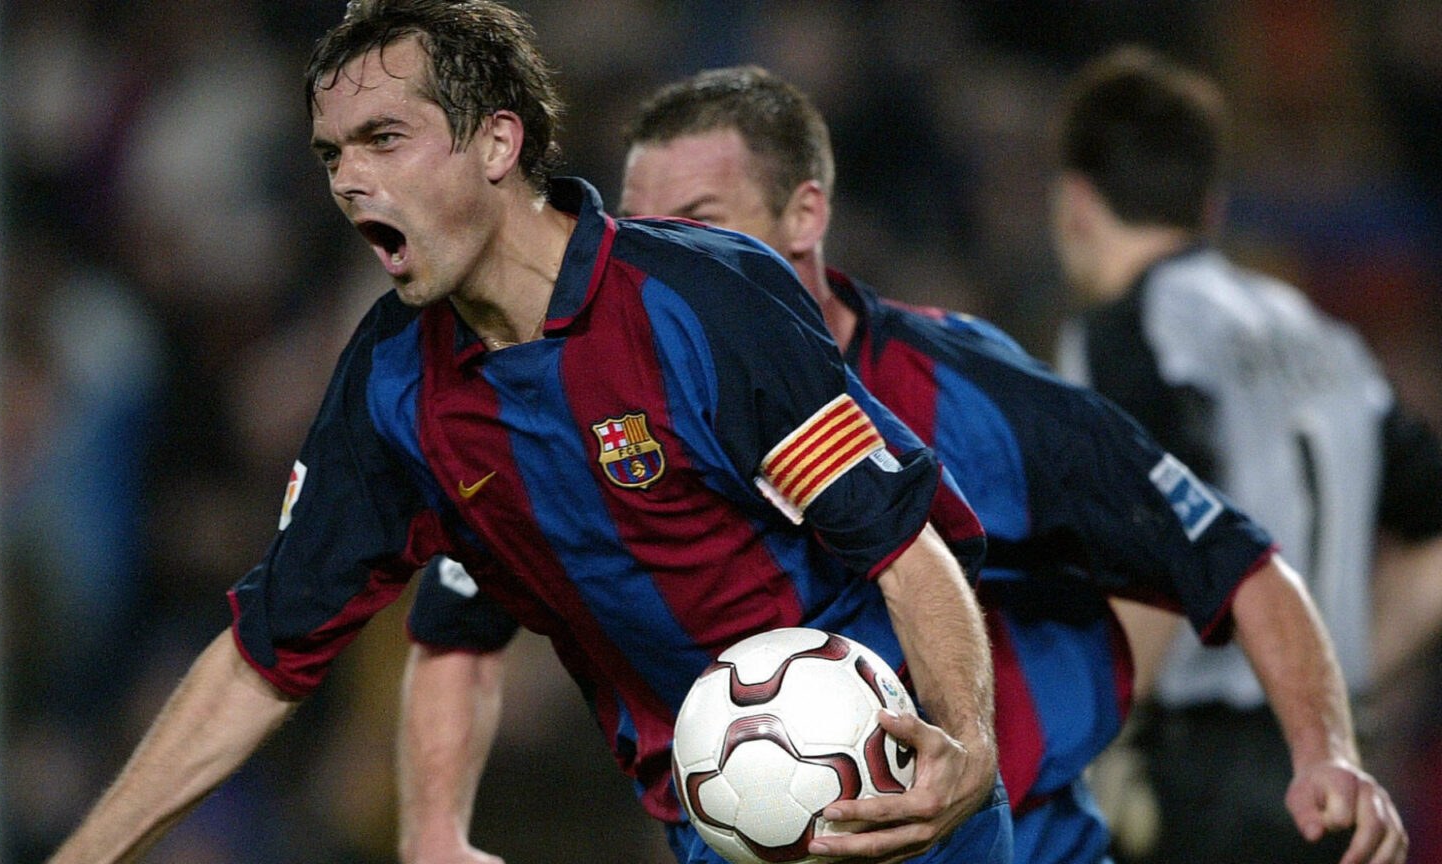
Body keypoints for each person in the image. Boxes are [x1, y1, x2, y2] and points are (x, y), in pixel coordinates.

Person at [47, 3, 1015, 863]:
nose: (349, 181)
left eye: (384, 138)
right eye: (332, 154)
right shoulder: (392, 387)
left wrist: (966, 743)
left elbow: (900, 543)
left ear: (497, 142)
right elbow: (264, 657)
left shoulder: (694, 300)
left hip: (897, 785)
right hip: (719, 825)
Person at [398, 65, 1408, 864]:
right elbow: (456, 627)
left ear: (805, 216)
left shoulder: (972, 397)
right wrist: (433, 832)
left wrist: (1326, 752)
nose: (657, 254)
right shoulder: (575, 408)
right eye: (638, 227)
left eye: (697, 220)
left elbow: (1234, 559)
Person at [1050, 46, 1442, 864]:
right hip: (1337, 770)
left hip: (1195, 775)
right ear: (1212, 207)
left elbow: (1159, 527)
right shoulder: (1321, 333)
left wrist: (1101, 739)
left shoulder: (1127, 333)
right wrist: (1337, 675)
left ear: (1076, 203)